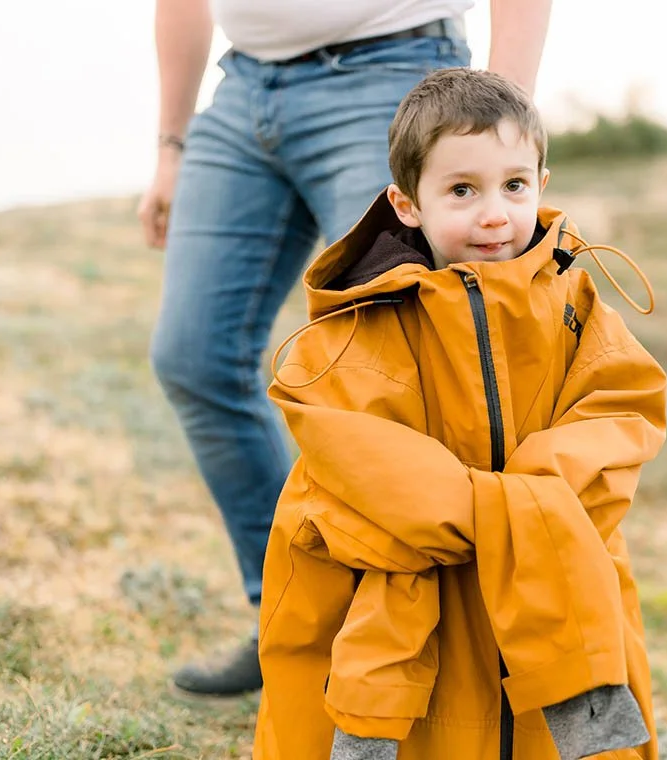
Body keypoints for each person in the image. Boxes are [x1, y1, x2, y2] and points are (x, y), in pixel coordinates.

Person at [137, 0, 552, 699]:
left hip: (392, 75)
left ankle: (431, 664)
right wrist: (171, 144)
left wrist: (501, 140)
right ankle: (297, 625)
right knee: (194, 359)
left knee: (398, 376)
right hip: (243, 95)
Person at [258, 69, 667, 760]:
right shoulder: (355, 331)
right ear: (406, 202)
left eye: (514, 184)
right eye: (461, 190)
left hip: (556, 612)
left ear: (542, 179)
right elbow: (360, 472)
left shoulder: (574, 306)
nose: (494, 214)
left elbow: (619, 414)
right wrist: (514, 514)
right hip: (410, 638)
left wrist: (513, 506)